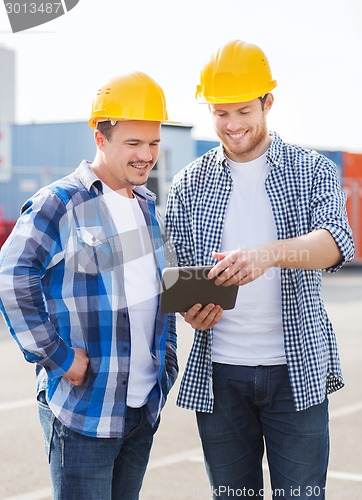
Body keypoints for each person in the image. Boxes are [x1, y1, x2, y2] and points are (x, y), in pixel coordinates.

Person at [165, 40, 355, 499]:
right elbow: (177, 274)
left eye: (243, 111)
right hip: (221, 375)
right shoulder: (188, 183)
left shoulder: (311, 169)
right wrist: (191, 310)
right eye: (220, 113)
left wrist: (266, 255)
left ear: (268, 102)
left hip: (297, 370)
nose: (231, 126)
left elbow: (336, 242)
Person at [0, 71, 180, 500]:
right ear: (100, 138)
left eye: (153, 143)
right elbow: (11, 278)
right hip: (84, 413)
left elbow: (162, 293)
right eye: (133, 144)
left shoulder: (149, 208)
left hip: (139, 410)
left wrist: (166, 362)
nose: (146, 155)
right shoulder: (60, 202)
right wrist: (57, 356)